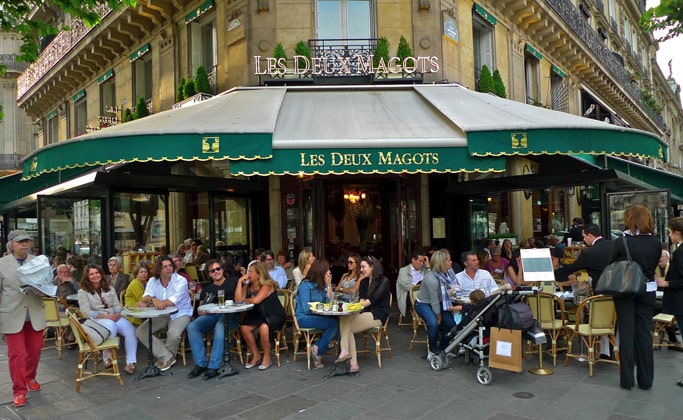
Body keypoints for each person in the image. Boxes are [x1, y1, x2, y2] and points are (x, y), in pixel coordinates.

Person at [609, 205, 661, 390]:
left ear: (628, 219)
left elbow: (612, 264)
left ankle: (627, 380)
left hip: (625, 290)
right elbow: (653, 265)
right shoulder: (656, 243)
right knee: (644, 333)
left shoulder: (621, 242)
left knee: (627, 332)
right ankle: (646, 380)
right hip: (647, 289)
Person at [0, 230, 46, 407]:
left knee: (35, 350)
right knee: (17, 355)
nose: (25, 244)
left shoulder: (38, 261)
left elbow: (46, 286)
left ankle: (30, 376)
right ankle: (19, 390)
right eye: (20, 242)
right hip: (11, 315)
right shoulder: (2, 264)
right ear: (11, 244)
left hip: (34, 313)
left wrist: (41, 287)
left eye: (27, 241)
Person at [135, 256, 193, 372]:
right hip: (162, 313)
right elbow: (145, 297)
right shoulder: (152, 281)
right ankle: (168, 357)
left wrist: (150, 303)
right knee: (140, 332)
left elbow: (171, 302)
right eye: (165, 266)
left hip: (180, 312)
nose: (168, 269)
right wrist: (153, 299)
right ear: (158, 269)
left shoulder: (181, 280)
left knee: (173, 334)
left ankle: (165, 357)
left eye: (170, 266)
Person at [78, 264, 137, 375]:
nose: (95, 275)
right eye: (91, 274)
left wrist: (118, 313)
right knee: (111, 326)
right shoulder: (83, 291)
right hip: (97, 319)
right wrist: (107, 317)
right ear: (87, 276)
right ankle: (107, 358)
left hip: (113, 316)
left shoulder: (109, 287)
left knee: (130, 329)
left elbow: (117, 305)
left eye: (97, 273)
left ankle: (130, 362)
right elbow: (86, 312)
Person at [336, 255, 390, 374]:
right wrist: (353, 308)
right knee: (344, 318)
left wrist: (355, 307)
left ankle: (349, 357)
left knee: (347, 326)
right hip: (365, 312)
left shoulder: (383, 281)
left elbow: (371, 300)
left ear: (372, 267)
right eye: (361, 267)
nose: (361, 270)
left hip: (378, 314)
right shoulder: (364, 281)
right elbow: (361, 299)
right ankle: (348, 356)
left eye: (363, 267)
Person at [187, 259, 238, 380]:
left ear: (222, 269)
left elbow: (241, 299)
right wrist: (204, 311)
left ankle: (213, 367)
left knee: (220, 327)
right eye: (213, 271)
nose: (216, 272)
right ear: (209, 274)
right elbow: (200, 309)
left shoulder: (233, 282)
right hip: (213, 315)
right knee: (192, 326)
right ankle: (201, 364)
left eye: (218, 269)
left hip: (230, 315)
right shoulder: (207, 289)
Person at [235, 261, 285, 370]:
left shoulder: (267, 285)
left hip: (274, 315)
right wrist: (240, 282)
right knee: (244, 328)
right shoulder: (248, 286)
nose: (249, 274)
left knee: (264, 327)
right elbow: (238, 300)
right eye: (249, 271)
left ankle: (267, 357)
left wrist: (245, 300)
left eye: (251, 272)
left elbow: (256, 300)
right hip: (259, 315)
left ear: (259, 275)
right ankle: (256, 354)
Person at [414, 249, 458, 361]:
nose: (451, 262)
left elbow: (454, 288)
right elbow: (434, 301)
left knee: (451, 325)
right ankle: (432, 351)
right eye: (448, 260)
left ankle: (443, 350)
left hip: (440, 301)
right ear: (441, 263)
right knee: (433, 323)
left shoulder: (448, 273)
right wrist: (439, 318)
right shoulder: (431, 279)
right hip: (423, 303)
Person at [295, 260, 338, 369]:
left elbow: (329, 303)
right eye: (327, 270)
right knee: (333, 324)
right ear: (320, 271)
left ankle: (318, 348)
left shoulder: (321, 285)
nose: (329, 272)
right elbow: (306, 308)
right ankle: (318, 348)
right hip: (304, 318)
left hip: (317, 316)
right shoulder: (305, 285)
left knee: (337, 321)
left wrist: (328, 285)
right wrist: (321, 310)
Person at [554, 223, 612, 291]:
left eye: (584, 236)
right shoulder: (613, 245)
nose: (584, 239)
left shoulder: (589, 252)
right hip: (616, 287)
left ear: (589, 236)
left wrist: (553, 274)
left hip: (600, 289)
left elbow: (573, 267)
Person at [657, 218, 683, 353]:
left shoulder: (679, 253)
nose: (669, 235)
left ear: (677, 233)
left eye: (670, 232)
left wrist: (666, 283)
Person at [396, 251, 428, 319]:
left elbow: (432, 281)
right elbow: (406, 286)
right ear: (413, 260)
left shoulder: (424, 270)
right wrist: (419, 288)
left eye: (423, 261)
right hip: (409, 295)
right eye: (420, 261)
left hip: (424, 295)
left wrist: (427, 266)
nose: (422, 263)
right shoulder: (403, 270)